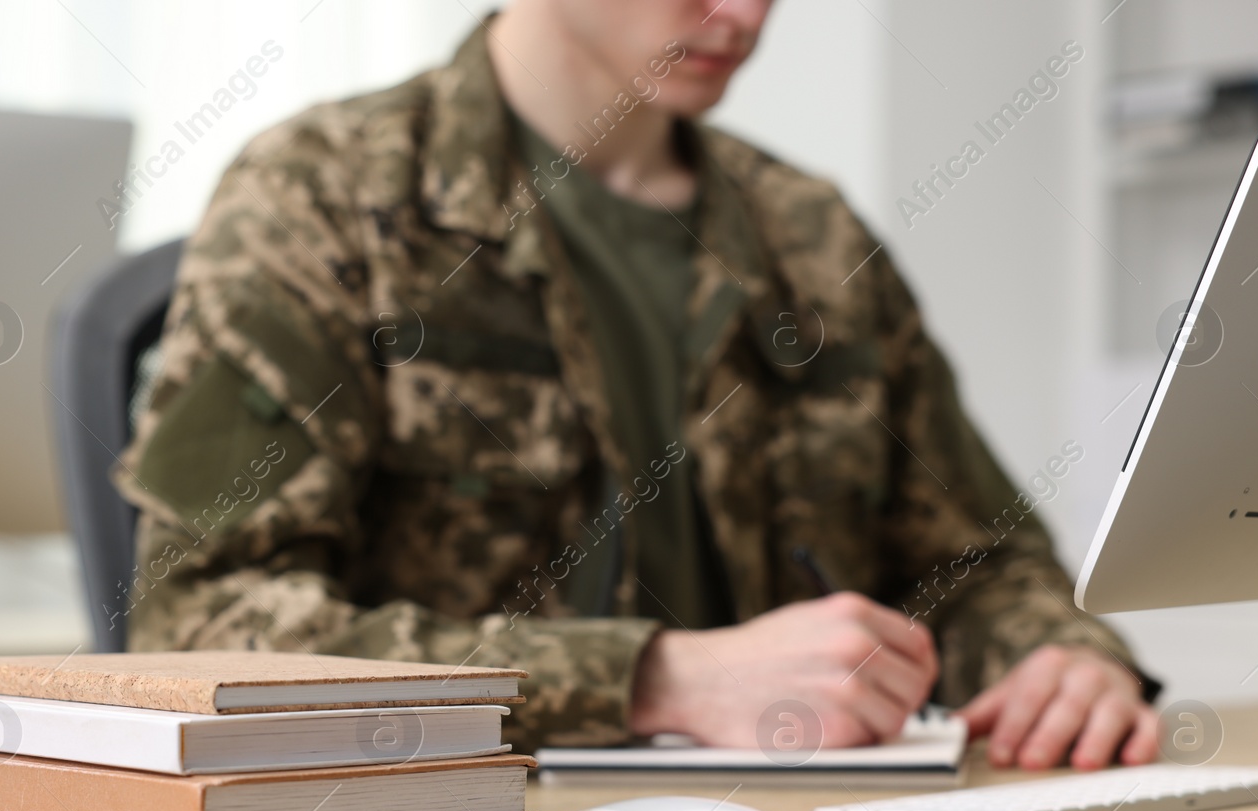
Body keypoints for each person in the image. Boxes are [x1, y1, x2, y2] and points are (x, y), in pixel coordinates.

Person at [115, 0, 1159, 771]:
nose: (743, 14)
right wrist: (656, 679)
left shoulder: (810, 234)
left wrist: (1061, 659)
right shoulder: (323, 198)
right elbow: (197, 624)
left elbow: (977, 563)